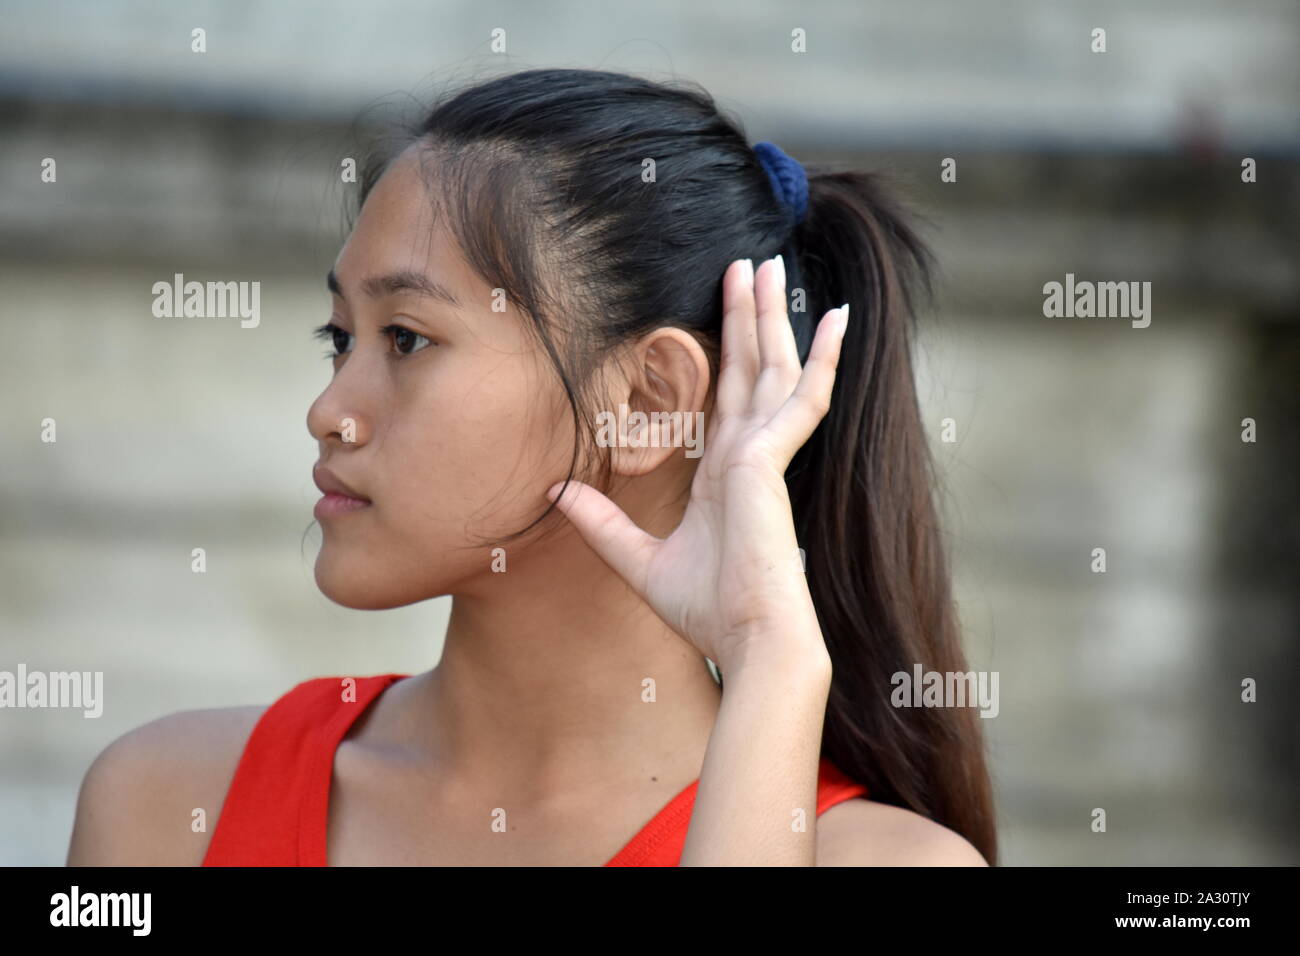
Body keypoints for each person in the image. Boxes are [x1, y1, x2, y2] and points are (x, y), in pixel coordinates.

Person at [68, 68, 995, 866]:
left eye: (406, 338)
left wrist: (773, 658)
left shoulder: (886, 860)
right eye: (338, 338)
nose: (328, 412)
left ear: (646, 403)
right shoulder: (166, 808)